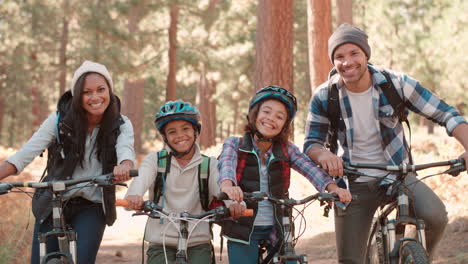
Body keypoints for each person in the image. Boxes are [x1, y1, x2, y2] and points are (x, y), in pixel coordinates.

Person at [304, 23, 468, 263]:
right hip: (354, 181)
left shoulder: (396, 83)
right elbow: (312, 143)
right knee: (350, 260)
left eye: (354, 53)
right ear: (333, 61)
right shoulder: (324, 95)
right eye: (339, 56)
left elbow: (446, 113)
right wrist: (324, 156)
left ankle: (421, 257)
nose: (347, 62)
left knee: (436, 217)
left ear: (365, 55)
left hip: (399, 174)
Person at [0, 60, 136, 264]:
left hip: (92, 203)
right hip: (52, 200)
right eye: (87, 92)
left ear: (110, 90)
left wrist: (124, 166)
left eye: (101, 89)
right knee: (40, 260)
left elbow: (126, 149)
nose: (95, 97)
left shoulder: (121, 124)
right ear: (77, 96)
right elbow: (25, 153)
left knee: (82, 259)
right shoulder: (59, 121)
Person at [218, 85, 351, 264]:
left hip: (278, 225)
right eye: (266, 112)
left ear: (285, 125)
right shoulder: (235, 144)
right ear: (254, 114)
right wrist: (228, 186)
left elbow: (310, 169)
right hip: (243, 222)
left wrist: (333, 188)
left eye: (279, 117)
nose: (271, 119)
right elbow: (226, 164)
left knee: (290, 260)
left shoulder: (286, 149)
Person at [124, 100, 221, 264]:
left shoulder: (209, 164)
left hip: (197, 241)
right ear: (165, 137)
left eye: (185, 129)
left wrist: (232, 203)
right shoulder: (155, 161)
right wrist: (134, 196)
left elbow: (220, 190)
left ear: (196, 131)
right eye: (172, 131)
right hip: (161, 240)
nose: (180, 135)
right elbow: (139, 183)